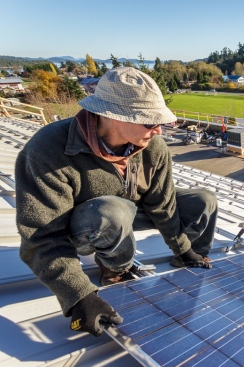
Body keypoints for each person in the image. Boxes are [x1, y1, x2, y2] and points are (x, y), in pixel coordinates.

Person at [15, 67, 218, 337]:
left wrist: (183, 248)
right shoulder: (48, 149)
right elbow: (40, 236)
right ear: (113, 116)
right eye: (150, 122)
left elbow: (163, 203)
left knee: (203, 199)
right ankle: (115, 270)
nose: (158, 130)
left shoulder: (153, 147)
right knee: (112, 212)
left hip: (127, 211)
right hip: (87, 224)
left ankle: (192, 259)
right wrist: (78, 295)